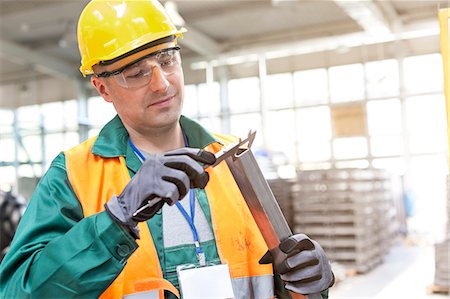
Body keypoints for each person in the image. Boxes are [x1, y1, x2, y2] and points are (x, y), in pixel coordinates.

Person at [0, 0, 334, 298]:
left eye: (167, 60)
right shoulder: (72, 175)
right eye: (136, 73)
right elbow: (19, 291)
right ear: (103, 88)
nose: (161, 83)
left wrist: (306, 283)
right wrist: (115, 220)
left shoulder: (234, 159)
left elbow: (269, 276)